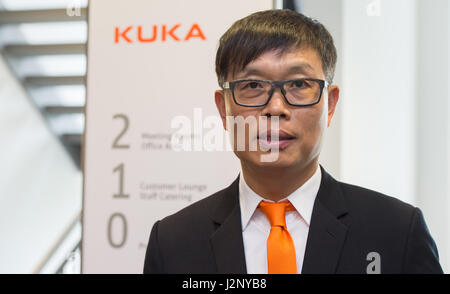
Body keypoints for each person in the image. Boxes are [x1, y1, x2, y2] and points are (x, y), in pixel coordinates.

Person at [143, 9, 443, 274]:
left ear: (331, 104)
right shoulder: (173, 242)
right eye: (253, 85)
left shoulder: (396, 232)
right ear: (224, 110)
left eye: (299, 84)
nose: (275, 108)